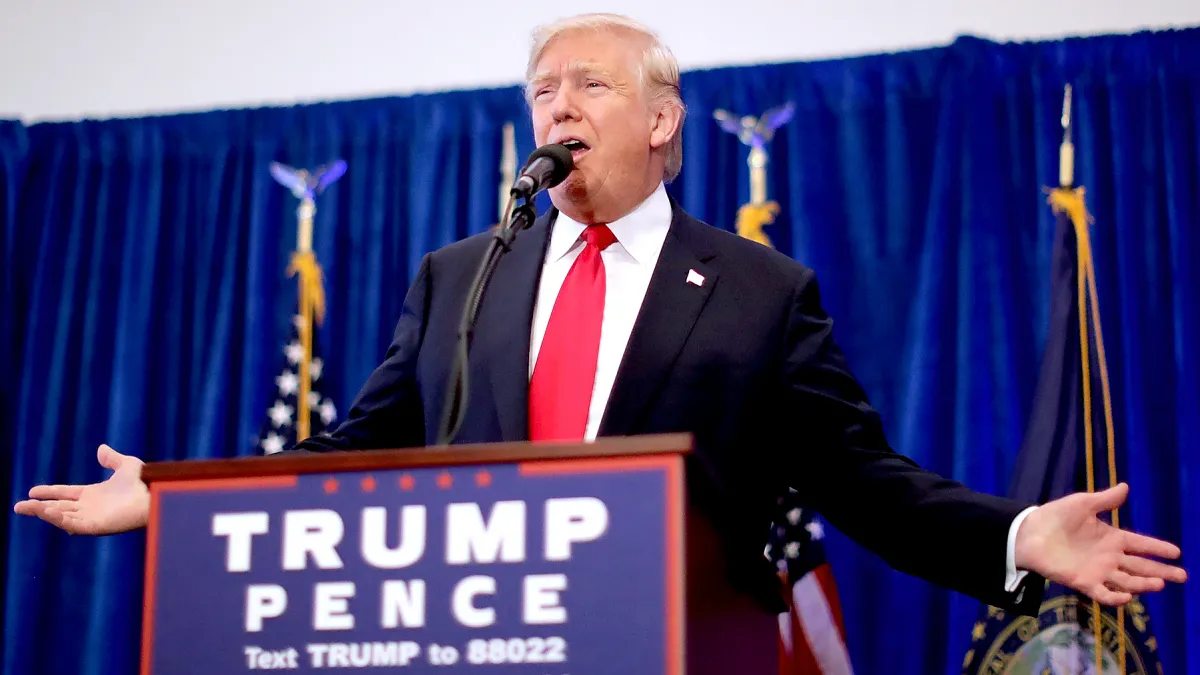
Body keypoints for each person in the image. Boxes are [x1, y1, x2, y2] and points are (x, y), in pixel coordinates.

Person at [15, 11, 1185, 626]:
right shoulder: (457, 276)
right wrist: (170, 498)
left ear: (665, 120)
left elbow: (863, 482)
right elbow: (351, 458)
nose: (557, 104)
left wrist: (1016, 537)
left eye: (591, 85)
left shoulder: (756, 292)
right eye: (542, 89)